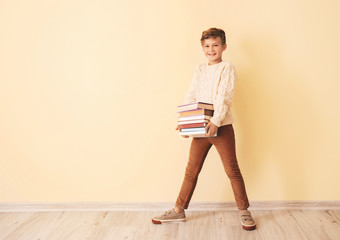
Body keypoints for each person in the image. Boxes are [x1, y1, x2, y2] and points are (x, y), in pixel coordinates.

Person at [151, 27, 256, 231]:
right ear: (202, 47)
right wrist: (185, 121)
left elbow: (224, 96)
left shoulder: (227, 68)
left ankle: (244, 211)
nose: (211, 49)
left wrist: (216, 121)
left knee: (232, 170)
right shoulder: (199, 69)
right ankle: (178, 210)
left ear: (224, 46)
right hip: (200, 126)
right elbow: (191, 94)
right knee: (191, 170)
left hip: (221, 127)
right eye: (207, 46)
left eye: (216, 45)